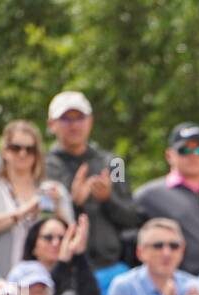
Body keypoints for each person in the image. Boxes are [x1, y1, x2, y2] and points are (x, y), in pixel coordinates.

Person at [45, 91, 140, 276]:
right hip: (65, 266)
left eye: (80, 118)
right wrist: (73, 203)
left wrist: (107, 199)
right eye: (66, 119)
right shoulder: (43, 165)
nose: (74, 125)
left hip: (113, 266)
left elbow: (131, 216)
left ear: (90, 120)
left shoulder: (115, 162)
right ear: (51, 124)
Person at [0, 119, 73, 277]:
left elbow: (71, 239)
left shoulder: (54, 190)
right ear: (4, 151)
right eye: (15, 148)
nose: (22, 154)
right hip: (0, 286)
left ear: (37, 154)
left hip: (46, 286)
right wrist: (21, 212)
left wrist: (58, 208)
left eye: (30, 149)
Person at [133, 122, 199, 274]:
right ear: (169, 155)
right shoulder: (150, 196)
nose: (193, 155)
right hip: (179, 282)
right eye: (184, 150)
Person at [22, 213, 99, 295]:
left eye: (63, 238)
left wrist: (79, 256)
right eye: (48, 238)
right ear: (34, 245)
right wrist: (62, 263)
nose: (56, 243)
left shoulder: (78, 271)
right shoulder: (22, 273)